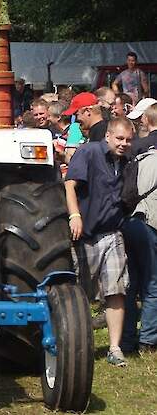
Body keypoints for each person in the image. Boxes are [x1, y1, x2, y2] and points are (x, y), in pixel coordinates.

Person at [65, 117, 134, 367]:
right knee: (81, 293)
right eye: (119, 138)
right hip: (84, 233)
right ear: (108, 136)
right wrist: (74, 216)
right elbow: (70, 185)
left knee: (116, 290)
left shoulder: (127, 161)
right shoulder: (88, 152)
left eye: (128, 140)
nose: (124, 144)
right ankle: (77, 344)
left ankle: (114, 348)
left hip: (112, 232)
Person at [121, 102, 157, 354]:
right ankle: (148, 340)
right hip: (150, 224)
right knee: (153, 283)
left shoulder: (137, 153)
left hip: (130, 221)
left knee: (131, 283)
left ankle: (127, 339)